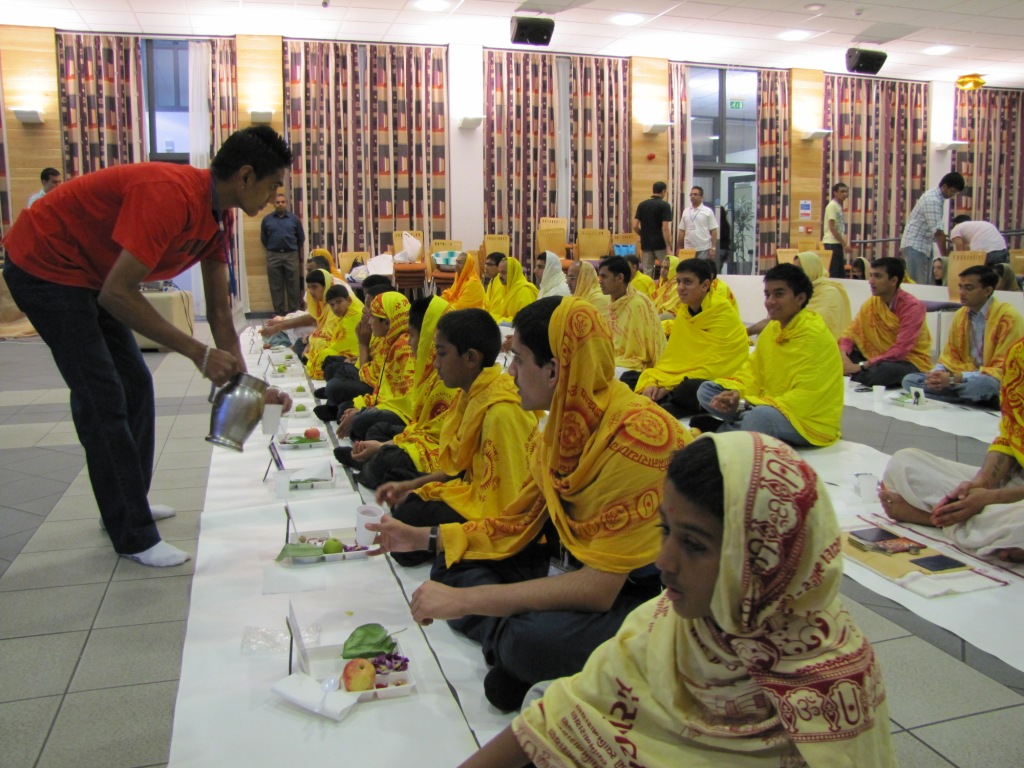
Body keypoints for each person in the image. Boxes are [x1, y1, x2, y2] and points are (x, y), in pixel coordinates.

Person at [462, 432, 898, 768]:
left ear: (758, 558)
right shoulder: (665, 624)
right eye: (666, 531)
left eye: (694, 543)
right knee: (543, 695)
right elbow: (562, 711)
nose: (664, 560)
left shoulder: (834, 687)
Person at [369, 296, 693, 711]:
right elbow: (516, 519)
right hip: (571, 562)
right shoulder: (564, 425)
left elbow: (598, 591)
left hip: (645, 595)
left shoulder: (636, 439)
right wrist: (422, 537)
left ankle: (513, 643)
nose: (510, 373)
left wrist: (467, 602)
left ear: (555, 371)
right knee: (454, 563)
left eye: (518, 360)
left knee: (529, 641)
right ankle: (516, 645)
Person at [2, 125, 294, 567]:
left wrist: (249, 388)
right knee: (103, 396)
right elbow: (118, 293)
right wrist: (198, 354)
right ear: (246, 176)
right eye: (274, 185)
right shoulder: (170, 194)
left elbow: (219, 312)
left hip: (92, 276)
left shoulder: (220, 214)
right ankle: (133, 533)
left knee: (136, 384)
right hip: (45, 266)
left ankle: (127, 500)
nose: (276, 196)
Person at [375, 308, 539, 564]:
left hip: (498, 512)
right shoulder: (473, 393)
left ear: (471, 358)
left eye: (441, 354)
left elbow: (509, 505)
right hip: (475, 488)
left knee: (409, 515)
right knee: (406, 494)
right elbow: (462, 466)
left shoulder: (500, 410)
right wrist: (413, 485)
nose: (436, 363)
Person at [880, 338, 1024, 564]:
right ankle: (983, 529)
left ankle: (929, 517)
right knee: (904, 462)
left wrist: (993, 497)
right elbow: (1010, 436)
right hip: (1017, 484)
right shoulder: (1020, 354)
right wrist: (981, 484)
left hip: (1014, 499)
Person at [696, 263, 844, 447]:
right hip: (764, 403)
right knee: (706, 391)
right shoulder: (772, 329)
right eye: (767, 294)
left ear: (800, 298)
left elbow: (807, 397)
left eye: (779, 294)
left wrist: (747, 403)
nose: (770, 301)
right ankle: (742, 425)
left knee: (760, 417)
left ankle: (720, 437)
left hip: (807, 419)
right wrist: (736, 392)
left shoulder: (814, 335)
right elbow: (752, 371)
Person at [343, 296, 457, 486]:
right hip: (413, 426)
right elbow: (420, 425)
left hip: (431, 444)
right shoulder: (427, 367)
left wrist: (382, 444)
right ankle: (374, 463)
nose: (367, 319)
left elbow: (440, 440)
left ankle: (373, 466)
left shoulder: (450, 375)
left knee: (382, 454)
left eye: (412, 335)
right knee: (376, 430)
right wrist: (382, 444)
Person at [635, 258, 749, 417]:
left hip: (712, 378)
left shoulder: (722, 313)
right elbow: (673, 358)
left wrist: (669, 386)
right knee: (635, 376)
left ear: (705, 285)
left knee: (690, 388)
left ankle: (664, 405)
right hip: (680, 376)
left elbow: (716, 366)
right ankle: (663, 403)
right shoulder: (685, 311)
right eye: (679, 281)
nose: (680, 288)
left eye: (687, 282)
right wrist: (653, 382)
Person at [901, 265, 1024, 406]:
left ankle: (975, 396)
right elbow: (949, 357)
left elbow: (1005, 369)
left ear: (987, 291)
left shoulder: (1008, 318)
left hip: (992, 379)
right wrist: (935, 375)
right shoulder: (961, 315)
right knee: (910, 380)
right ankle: (978, 399)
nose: (962, 292)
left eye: (969, 288)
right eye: (960, 287)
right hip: (963, 377)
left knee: (986, 385)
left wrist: (954, 379)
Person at [839, 256, 932, 388]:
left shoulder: (912, 307)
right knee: (834, 357)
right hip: (874, 358)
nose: (871, 281)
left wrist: (861, 366)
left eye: (877, 276)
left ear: (893, 280)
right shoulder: (872, 303)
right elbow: (851, 332)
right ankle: (853, 372)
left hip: (907, 361)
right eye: (870, 276)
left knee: (883, 372)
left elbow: (900, 350)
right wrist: (843, 357)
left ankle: (852, 373)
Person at [334, 291, 415, 441]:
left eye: (372, 317)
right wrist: (363, 408)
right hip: (386, 403)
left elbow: (405, 403)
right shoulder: (391, 340)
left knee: (360, 420)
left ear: (387, 323)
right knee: (346, 409)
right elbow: (383, 389)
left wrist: (363, 412)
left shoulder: (405, 348)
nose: (368, 321)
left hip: (403, 413)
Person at [748, 251, 851, 340]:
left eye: (800, 270)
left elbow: (815, 326)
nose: (795, 274)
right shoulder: (792, 290)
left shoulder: (829, 292)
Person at [597, 256, 664, 384]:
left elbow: (639, 351)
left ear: (620, 278)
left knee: (600, 374)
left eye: (604, 277)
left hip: (632, 364)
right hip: (614, 358)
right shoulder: (610, 302)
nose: (599, 281)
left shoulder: (637, 304)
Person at [899, 171, 964, 285]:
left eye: (955, 193)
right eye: (952, 191)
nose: (952, 195)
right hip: (915, 245)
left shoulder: (937, 198)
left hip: (923, 246)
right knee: (918, 286)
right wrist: (945, 256)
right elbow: (938, 233)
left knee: (925, 284)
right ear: (944, 186)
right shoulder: (932, 200)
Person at [304, 282, 363, 380]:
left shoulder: (354, 315)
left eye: (339, 302)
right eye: (332, 305)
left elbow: (344, 343)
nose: (336, 308)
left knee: (324, 354)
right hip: (343, 353)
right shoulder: (344, 315)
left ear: (348, 300)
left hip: (355, 356)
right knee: (318, 345)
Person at [260, 192, 305, 315]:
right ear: (274, 204)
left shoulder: (294, 219)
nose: (280, 204)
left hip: (291, 255)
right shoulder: (267, 220)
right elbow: (264, 239)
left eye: (282, 202)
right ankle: (278, 314)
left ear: (286, 203)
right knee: (276, 287)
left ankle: (294, 315)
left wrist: (293, 249)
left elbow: (301, 237)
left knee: (293, 286)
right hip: (273, 255)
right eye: (277, 202)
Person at [632, 180, 672, 275]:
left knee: (647, 271)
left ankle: (648, 289)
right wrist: (668, 246)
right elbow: (665, 228)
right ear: (663, 191)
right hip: (660, 243)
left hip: (646, 243)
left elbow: (634, 225)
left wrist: (643, 234)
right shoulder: (665, 205)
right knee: (666, 270)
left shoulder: (642, 205)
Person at [490, 257, 538, 323]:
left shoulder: (524, 291)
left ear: (513, 273)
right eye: (499, 272)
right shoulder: (506, 288)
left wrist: (501, 321)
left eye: (503, 272)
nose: (500, 276)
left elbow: (525, 319)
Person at [676, 185, 718, 262]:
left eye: (695, 194)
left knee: (701, 270)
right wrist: (679, 247)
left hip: (703, 248)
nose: (692, 196)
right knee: (688, 270)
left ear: (701, 197)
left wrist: (713, 247)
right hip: (688, 249)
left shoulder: (708, 211)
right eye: (691, 194)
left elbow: (714, 231)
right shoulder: (686, 211)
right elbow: (681, 231)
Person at [823, 182, 849, 278]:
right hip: (832, 243)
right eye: (842, 191)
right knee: (834, 272)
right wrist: (844, 244)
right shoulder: (832, 206)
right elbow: (832, 227)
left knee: (840, 272)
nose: (844, 194)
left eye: (846, 192)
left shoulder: (838, 206)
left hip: (836, 243)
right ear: (835, 193)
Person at [649, 254, 681, 320]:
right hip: (660, 312)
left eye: (666, 268)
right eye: (662, 267)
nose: (662, 270)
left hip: (673, 314)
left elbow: (671, 308)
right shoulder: (661, 281)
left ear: (674, 269)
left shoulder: (677, 285)